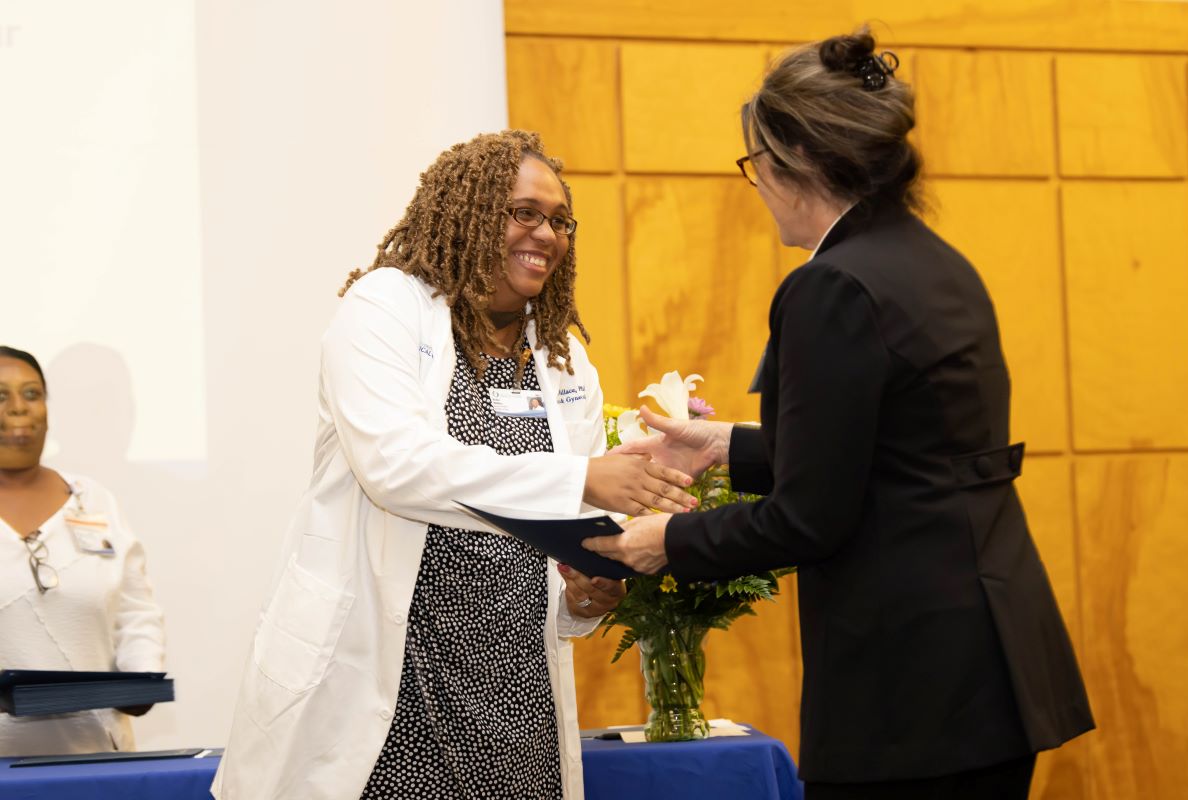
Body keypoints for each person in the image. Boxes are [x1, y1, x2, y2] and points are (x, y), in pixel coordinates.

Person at [584, 29, 1094, 800]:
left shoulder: (832, 287)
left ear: (798, 162)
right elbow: (897, 453)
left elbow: (812, 516)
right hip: (988, 669)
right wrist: (724, 445)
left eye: (755, 164)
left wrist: (667, 540)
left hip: (909, 693)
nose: (754, 185)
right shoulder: (936, 263)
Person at [213, 130, 696, 800]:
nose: (548, 234)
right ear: (465, 210)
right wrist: (582, 478)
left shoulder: (563, 361)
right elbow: (397, 469)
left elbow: (560, 544)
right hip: (391, 696)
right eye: (525, 212)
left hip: (513, 702)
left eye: (560, 221)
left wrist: (584, 595)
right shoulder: (384, 307)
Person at [0, 346, 166, 756]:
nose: (19, 409)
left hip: (94, 762)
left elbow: (136, 610)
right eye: (0, 396)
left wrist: (142, 675)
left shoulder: (93, 501)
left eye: (32, 394)